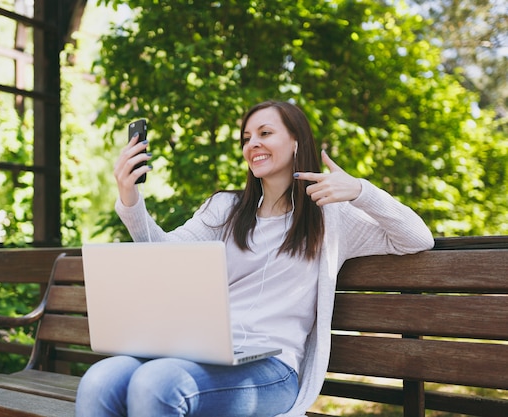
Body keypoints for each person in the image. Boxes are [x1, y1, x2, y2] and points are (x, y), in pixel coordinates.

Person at [75, 100, 434, 417]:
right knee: (100, 379)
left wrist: (360, 190)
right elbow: (163, 254)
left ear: (296, 142)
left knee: (157, 384)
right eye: (247, 138)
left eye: (265, 133)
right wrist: (129, 198)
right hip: (207, 356)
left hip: (273, 370)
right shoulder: (225, 209)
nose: (253, 144)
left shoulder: (330, 216)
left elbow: (417, 238)